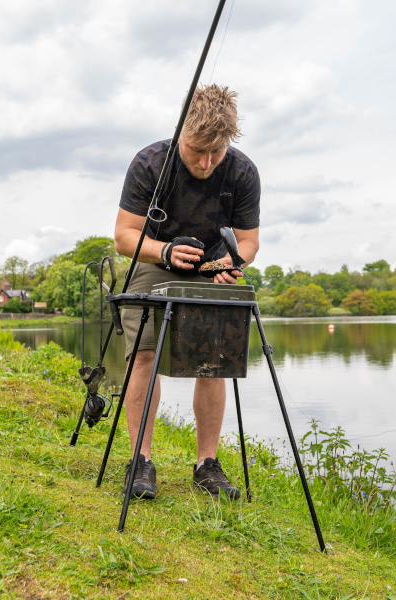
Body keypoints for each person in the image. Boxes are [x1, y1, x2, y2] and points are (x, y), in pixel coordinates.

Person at [114, 84, 260, 500]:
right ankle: (141, 460)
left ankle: (206, 465)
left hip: (212, 267)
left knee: (213, 361)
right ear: (181, 132)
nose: (207, 161)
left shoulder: (243, 172)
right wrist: (163, 250)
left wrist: (234, 263)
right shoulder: (149, 163)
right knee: (144, 354)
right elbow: (124, 236)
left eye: (217, 152)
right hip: (151, 258)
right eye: (198, 150)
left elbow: (249, 241)